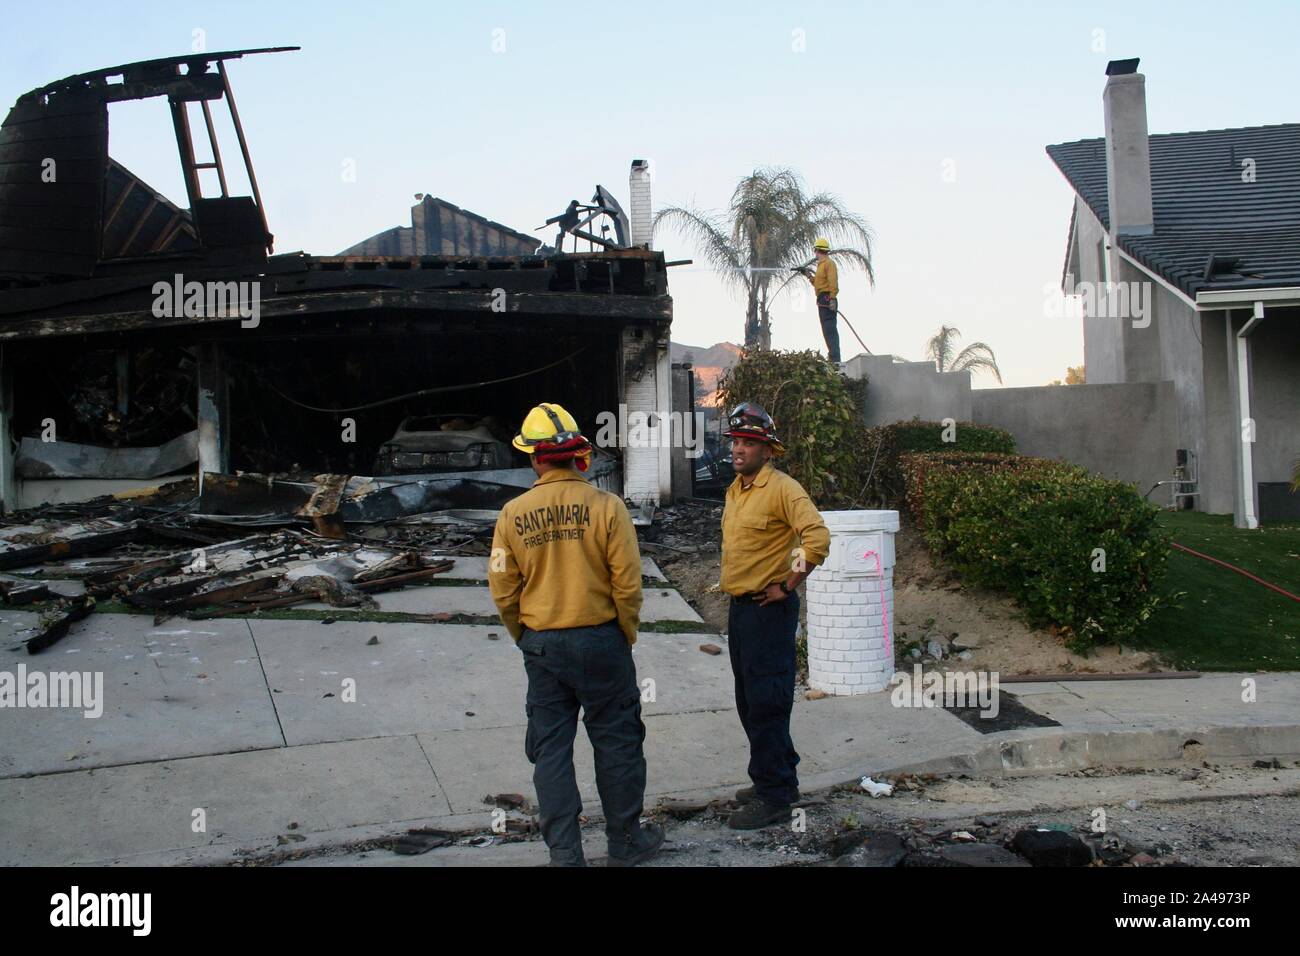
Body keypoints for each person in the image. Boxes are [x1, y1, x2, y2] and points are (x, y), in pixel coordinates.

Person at [488, 402, 663, 866]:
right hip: (602, 640)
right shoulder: (609, 508)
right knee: (618, 743)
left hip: (543, 645)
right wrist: (623, 634)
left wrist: (524, 636)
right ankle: (625, 844)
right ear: (575, 455)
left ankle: (565, 854)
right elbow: (628, 583)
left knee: (550, 750)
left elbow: (503, 588)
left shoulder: (511, 515)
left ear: (534, 458)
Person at [719, 403, 830, 829]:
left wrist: (787, 584)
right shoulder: (736, 489)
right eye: (736, 442)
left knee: (767, 702)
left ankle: (775, 798)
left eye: (749, 443)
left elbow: (817, 537)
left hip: (769, 611)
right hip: (741, 610)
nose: (739, 450)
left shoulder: (783, 488)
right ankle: (776, 777)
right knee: (750, 701)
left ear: (769, 451)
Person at [808, 237, 841, 365]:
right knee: (826, 330)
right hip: (822, 298)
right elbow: (818, 283)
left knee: (830, 329)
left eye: (815, 250)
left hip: (828, 299)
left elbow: (833, 282)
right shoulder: (820, 265)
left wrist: (832, 298)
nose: (815, 253)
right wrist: (808, 276)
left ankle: (835, 358)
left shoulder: (829, 264)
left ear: (818, 250)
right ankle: (832, 356)